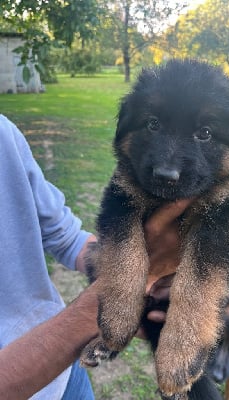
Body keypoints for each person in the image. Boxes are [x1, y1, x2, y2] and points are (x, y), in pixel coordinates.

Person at [0, 115, 190, 400]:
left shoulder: (3, 133)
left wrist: (134, 263)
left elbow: (61, 234)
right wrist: (118, 291)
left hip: (65, 376)